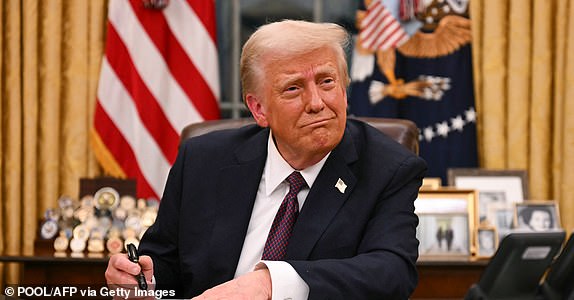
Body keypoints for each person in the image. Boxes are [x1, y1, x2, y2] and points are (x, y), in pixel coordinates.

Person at [105, 19, 427, 299]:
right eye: (293, 88)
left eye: (327, 82)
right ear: (258, 109)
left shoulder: (387, 169)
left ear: (343, 90)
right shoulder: (203, 161)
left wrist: (270, 282)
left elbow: (392, 273)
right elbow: (163, 263)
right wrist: (141, 282)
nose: (317, 103)